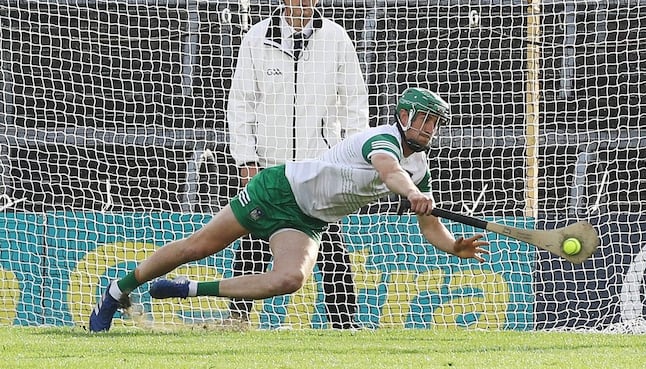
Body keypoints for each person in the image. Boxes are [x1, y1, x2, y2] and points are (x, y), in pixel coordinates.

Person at [88, 87, 490, 333]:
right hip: (279, 189)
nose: (430, 130)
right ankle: (117, 290)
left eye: (436, 124)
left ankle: (185, 290)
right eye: (426, 120)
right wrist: (409, 191)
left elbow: (430, 225)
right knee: (199, 246)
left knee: (291, 279)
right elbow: (389, 172)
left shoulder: (420, 166)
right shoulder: (382, 139)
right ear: (404, 117)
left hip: (308, 219)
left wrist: (453, 246)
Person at [226, 0, 368, 329]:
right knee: (253, 242)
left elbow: (354, 100)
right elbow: (241, 102)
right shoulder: (256, 38)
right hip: (271, 166)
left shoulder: (336, 37)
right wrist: (246, 159)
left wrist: (357, 157)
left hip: (321, 166)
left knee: (332, 248)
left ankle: (344, 324)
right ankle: (238, 318)